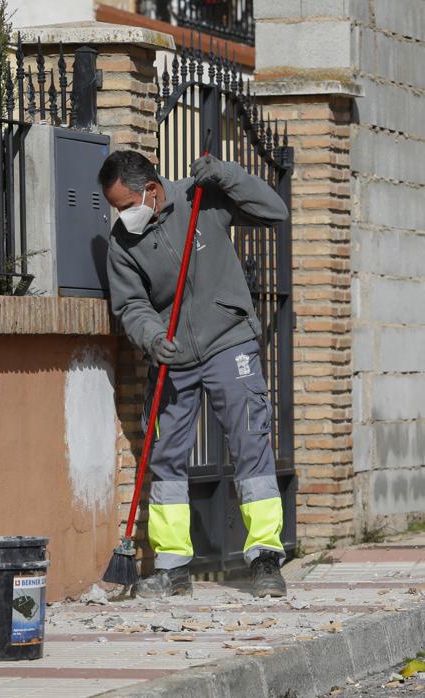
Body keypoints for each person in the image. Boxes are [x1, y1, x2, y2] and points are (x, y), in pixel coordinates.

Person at [99, 149, 289, 598]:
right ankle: (172, 567)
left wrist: (228, 173)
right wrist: (151, 336)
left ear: (151, 187)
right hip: (172, 357)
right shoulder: (122, 243)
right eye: (116, 209)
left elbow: (273, 211)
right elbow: (131, 305)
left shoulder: (200, 197)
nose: (123, 215)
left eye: (127, 205)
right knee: (165, 457)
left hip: (229, 342)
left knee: (249, 445)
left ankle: (265, 558)